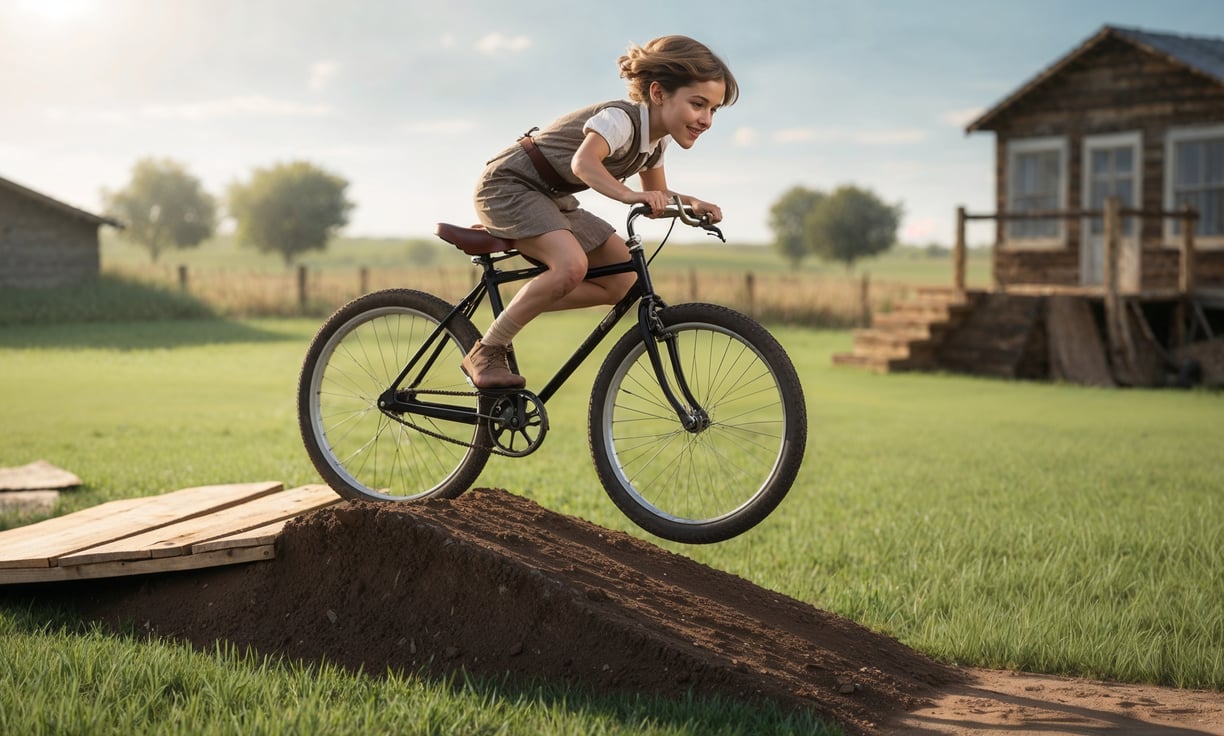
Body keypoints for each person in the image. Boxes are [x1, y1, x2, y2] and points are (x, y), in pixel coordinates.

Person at [460, 34, 739, 389]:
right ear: (658, 94)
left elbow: (658, 195)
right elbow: (584, 163)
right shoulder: (619, 120)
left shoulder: (655, 141)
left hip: (552, 199)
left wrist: (692, 204)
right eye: (698, 104)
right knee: (571, 266)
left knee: (622, 281)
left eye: (713, 110)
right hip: (509, 186)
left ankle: (524, 304)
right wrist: (625, 195)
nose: (706, 120)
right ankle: (486, 350)